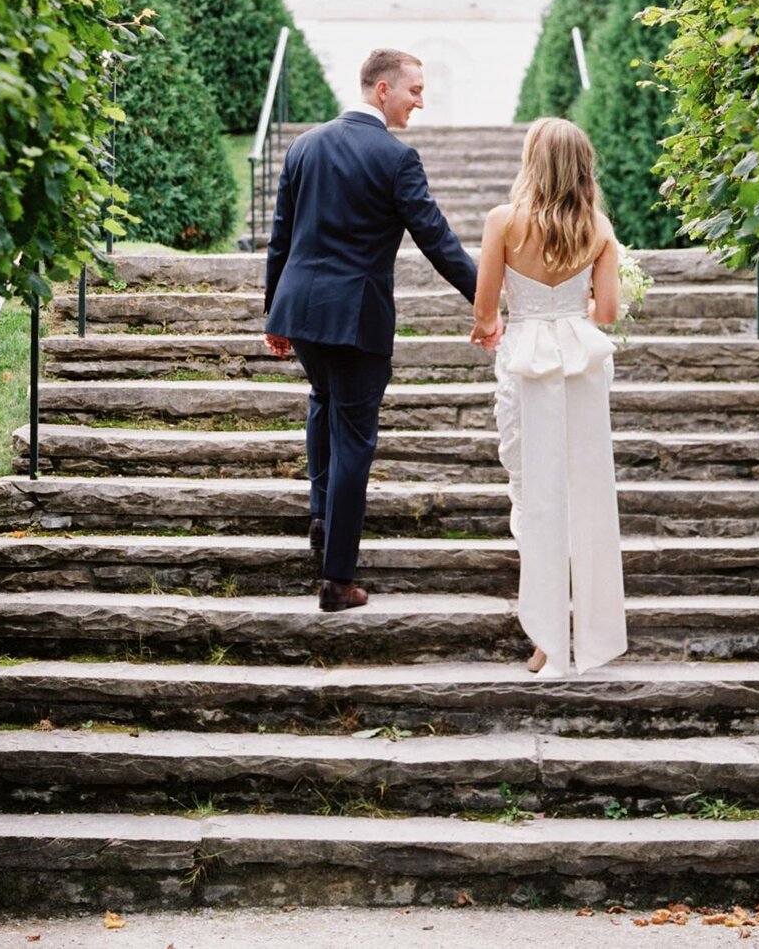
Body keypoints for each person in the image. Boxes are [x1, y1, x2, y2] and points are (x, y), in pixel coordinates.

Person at [264, 48, 497, 612]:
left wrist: (275, 312)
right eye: (415, 89)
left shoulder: (305, 146)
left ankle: (322, 517)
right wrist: (486, 303)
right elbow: (437, 240)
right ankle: (337, 579)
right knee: (355, 441)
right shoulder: (396, 159)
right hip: (356, 318)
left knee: (323, 401)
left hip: (302, 312)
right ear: (383, 89)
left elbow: (280, 238)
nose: (422, 100)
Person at [470, 117, 628, 677]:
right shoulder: (599, 229)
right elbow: (605, 314)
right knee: (585, 494)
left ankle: (546, 640)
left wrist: (494, 325)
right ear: (583, 166)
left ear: (532, 162)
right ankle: (591, 634)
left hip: (527, 368)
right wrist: (569, 309)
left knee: (536, 496)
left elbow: (486, 309)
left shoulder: (503, 222)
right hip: (581, 365)